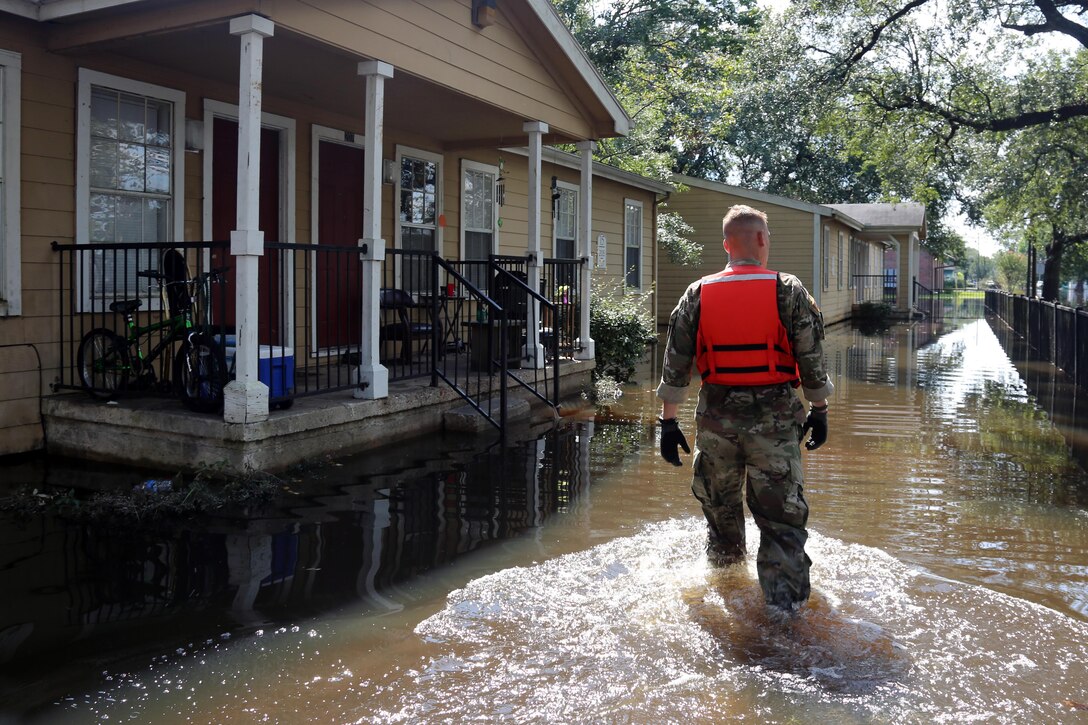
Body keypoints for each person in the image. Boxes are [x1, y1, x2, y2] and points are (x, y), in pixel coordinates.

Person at [656, 204, 833, 611]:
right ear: (760, 240)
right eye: (767, 238)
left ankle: (727, 593)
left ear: (725, 244)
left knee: (721, 515)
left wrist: (667, 424)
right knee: (781, 522)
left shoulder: (697, 293)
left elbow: (675, 365)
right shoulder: (787, 289)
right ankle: (783, 616)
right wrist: (820, 409)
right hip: (775, 422)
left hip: (716, 423)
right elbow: (811, 358)